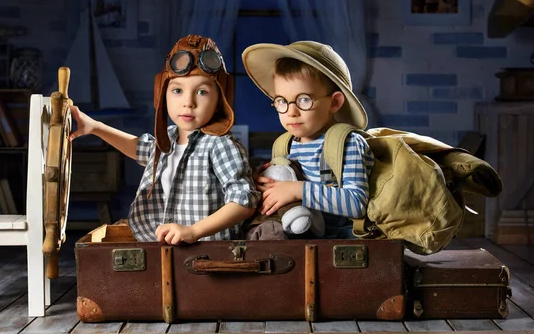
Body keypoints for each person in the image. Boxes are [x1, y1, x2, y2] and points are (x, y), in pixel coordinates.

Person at [70, 34, 260, 244]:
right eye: (177, 90)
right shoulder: (168, 137)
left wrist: (194, 231)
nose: (188, 102)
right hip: (165, 249)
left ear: (220, 99)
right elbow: (139, 148)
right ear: (162, 93)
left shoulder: (220, 144)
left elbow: (244, 202)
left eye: (202, 92)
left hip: (208, 254)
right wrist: (96, 127)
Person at [242, 41, 375, 239]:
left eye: (304, 99)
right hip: (297, 239)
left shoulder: (347, 143)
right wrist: (262, 187)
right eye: (282, 101)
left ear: (334, 102)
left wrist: (297, 190)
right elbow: (282, 192)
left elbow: (356, 203)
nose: (292, 112)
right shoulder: (284, 145)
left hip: (337, 240)